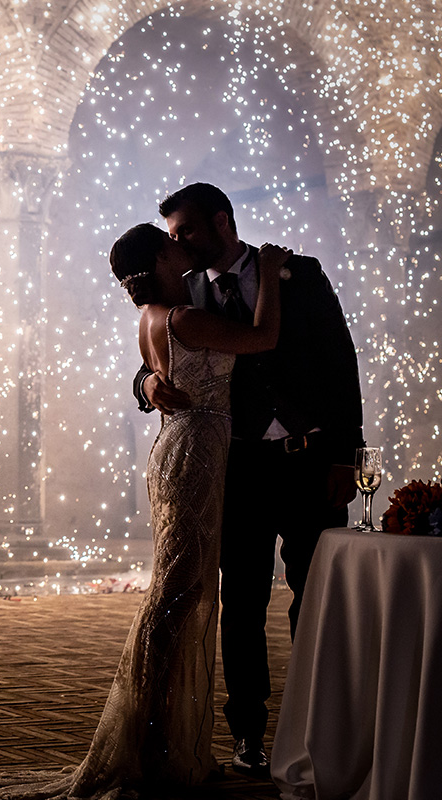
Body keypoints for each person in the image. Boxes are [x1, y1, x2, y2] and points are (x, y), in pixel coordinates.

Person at [0, 225, 289, 799]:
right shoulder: (184, 318)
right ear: (160, 256)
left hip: (179, 445)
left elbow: (168, 367)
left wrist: (150, 381)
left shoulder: (154, 317)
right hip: (196, 451)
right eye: (174, 242)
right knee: (180, 597)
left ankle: (157, 738)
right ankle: (150, 743)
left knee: (176, 595)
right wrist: (272, 272)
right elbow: (265, 338)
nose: (186, 248)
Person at [134, 182, 363, 778]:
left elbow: (342, 361)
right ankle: (247, 736)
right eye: (172, 237)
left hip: (310, 459)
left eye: (185, 232)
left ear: (222, 220)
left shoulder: (297, 273)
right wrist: (145, 387)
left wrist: (345, 455)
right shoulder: (181, 292)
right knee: (242, 606)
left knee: (317, 601)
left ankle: (318, 727)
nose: (177, 244)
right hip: (237, 469)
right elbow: (154, 359)